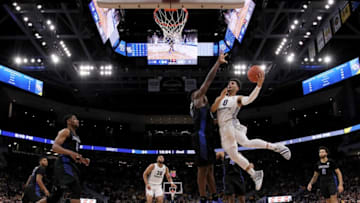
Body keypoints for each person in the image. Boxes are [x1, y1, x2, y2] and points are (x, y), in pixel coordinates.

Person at [210, 73, 291, 191]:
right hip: (223, 130)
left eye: (232, 83)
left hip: (232, 125)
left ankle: (277, 147)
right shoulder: (220, 98)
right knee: (233, 155)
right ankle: (255, 174)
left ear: (237, 88)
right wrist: (221, 97)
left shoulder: (237, 98)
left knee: (245, 142)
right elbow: (212, 109)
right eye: (228, 83)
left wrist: (258, 86)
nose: (229, 85)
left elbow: (249, 99)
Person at [189, 53, 228, 203]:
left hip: (208, 138)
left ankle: (214, 196)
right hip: (201, 138)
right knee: (203, 169)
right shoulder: (197, 99)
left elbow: (214, 123)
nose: (201, 92)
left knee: (210, 168)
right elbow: (207, 82)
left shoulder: (206, 109)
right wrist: (218, 63)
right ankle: (203, 197)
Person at [38, 114, 90, 203]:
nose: (77, 121)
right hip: (64, 164)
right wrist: (71, 153)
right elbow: (55, 147)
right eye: (75, 119)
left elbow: (73, 153)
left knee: (54, 197)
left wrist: (83, 159)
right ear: (68, 121)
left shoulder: (76, 136)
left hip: (71, 165)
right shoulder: (66, 131)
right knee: (76, 188)